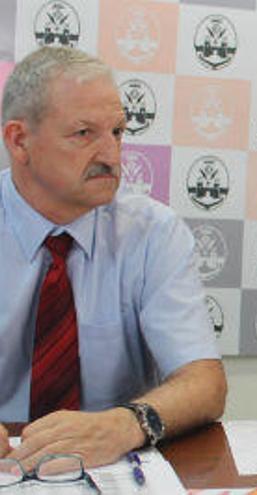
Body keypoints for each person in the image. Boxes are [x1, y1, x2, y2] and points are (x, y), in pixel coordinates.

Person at [0, 46, 226, 468]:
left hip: (109, 466)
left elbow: (204, 383)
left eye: (118, 132)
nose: (111, 155)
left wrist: (127, 424)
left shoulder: (153, 232)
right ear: (19, 140)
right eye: (84, 133)